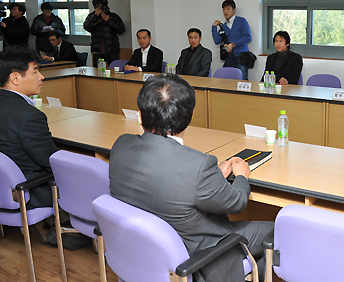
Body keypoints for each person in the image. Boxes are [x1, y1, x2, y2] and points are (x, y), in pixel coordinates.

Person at [109, 75, 273, 282]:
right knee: (280, 231)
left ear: (140, 116)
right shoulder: (197, 166)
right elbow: (237, 202)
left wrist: (213, 178)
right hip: (197, 256)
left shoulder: (121, 145)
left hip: (140, 253)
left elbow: (170, 181)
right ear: (190, 117)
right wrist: (241, 175)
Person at [0, 46, 57, 210]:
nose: (42, 77)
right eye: (35, 71)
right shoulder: (30, 116)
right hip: (29, 189)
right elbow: (50, 161)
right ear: (15, 78)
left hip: (4, 187)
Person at [211, 0, 252, 80]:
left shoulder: (241, 21)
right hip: (229, 57)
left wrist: (232, 44)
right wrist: (214, 27)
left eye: (228, 9)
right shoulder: (224, 26)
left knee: (242, 82)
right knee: (224, 81)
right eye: (224, 9)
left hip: (241, 57)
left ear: (234, 9)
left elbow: (248, 37)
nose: (225, 11)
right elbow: (217, 41)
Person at [83, 0, 125, 66]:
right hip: (97, 51)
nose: (100, 9)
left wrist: (108, 20)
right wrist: (95, 16)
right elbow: (87, 27)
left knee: (115, 71)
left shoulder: (113, 16)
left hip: (112, 51)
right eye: (98, 7)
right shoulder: (91, 16)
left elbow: (121, 30)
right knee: (97, 72)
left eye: (101, 6)